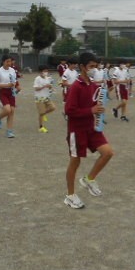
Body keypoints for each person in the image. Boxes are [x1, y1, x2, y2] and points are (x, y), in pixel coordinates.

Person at [64, 52, 115, 209]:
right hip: (77, 130)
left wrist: (99, 107)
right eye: (91, 66)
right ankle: (70, 196)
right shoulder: (75, 87)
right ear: (82, 67)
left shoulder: (93, 85)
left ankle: (89, 179)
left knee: (107, 152)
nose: (94, 69)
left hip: (92, 128)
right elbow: (69, 111)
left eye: (96, 66)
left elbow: (95, 104)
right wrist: (91, 110)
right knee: (75, 161)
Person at [0, 55, 18, 138]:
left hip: (11, 92)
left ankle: (9, 131)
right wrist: (7, 85)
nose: (9, 63)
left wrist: (15, 85)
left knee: (12, 111)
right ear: (3, 61)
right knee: (7, 110)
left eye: (10, 61)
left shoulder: (12, 70)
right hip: (2, 92)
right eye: (7, 61)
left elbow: (14, 81)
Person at [33, 65, 56, 133]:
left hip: (46, 97)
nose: (46, 72)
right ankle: (41, 127)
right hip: (39, 98)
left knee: (53, 107)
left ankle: (43, 114)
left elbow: (49, 86)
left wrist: (50, 87)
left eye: (47, 71)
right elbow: (36, 88)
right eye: (44, 71)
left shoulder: (47, 78)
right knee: (41, 113)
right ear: (40, 72)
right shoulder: (37, 79)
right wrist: (44, 86)